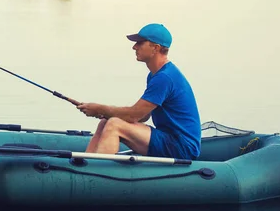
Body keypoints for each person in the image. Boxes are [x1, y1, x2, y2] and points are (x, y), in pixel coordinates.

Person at [77, 23, 201, 159]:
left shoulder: (164, 78)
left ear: (155, 48)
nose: (134, 47)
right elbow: (144, 115)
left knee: (114, 125)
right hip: (168, 138)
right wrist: (105, 113)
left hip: (182, 147)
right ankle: (84, 164)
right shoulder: (155, 75)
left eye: (140, 43)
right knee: (106, 122)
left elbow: (133, 115)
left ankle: (98, 173)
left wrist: (101, 108)